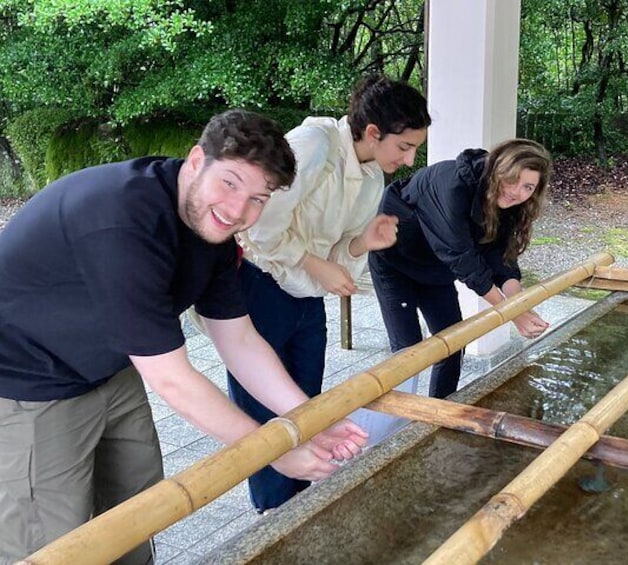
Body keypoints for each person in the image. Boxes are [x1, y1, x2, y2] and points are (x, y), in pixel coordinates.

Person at [0, 109, 368, 565]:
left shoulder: (211, 230)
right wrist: (272, 451)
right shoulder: (124, 221)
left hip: (109, 367)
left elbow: (240, 341)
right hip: (27, 383)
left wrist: (313, 419)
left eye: (258, 197)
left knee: (138, 508)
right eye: (230, 182)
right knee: (55, 542)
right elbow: (172, 378)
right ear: (196, 161)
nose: (238, 210)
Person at [230, 75, 430, 513]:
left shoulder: (374, 177)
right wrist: (314, 262)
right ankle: (271, 513)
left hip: (307, 297)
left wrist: (364, 243)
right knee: (264, 409)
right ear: (373, 132)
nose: (410, 158)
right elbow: (260, 226)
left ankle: (301, 503)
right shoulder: (314, 143)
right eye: (405, 146)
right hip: (260, 287)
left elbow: (339, 249)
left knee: (307, 403)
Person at [368, 139, 553, 399]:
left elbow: (502, 259)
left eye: (528, 187)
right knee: (407, 354)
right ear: (498, 168)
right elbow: (463, 259)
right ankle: (396, 432)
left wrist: (519, 304)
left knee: (453, 345)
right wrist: (513, 314)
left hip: (435, 269)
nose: (516, 191)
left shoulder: (509, 204)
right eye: (513, 179)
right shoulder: (451, 184)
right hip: (394, 262)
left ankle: (441, 412)